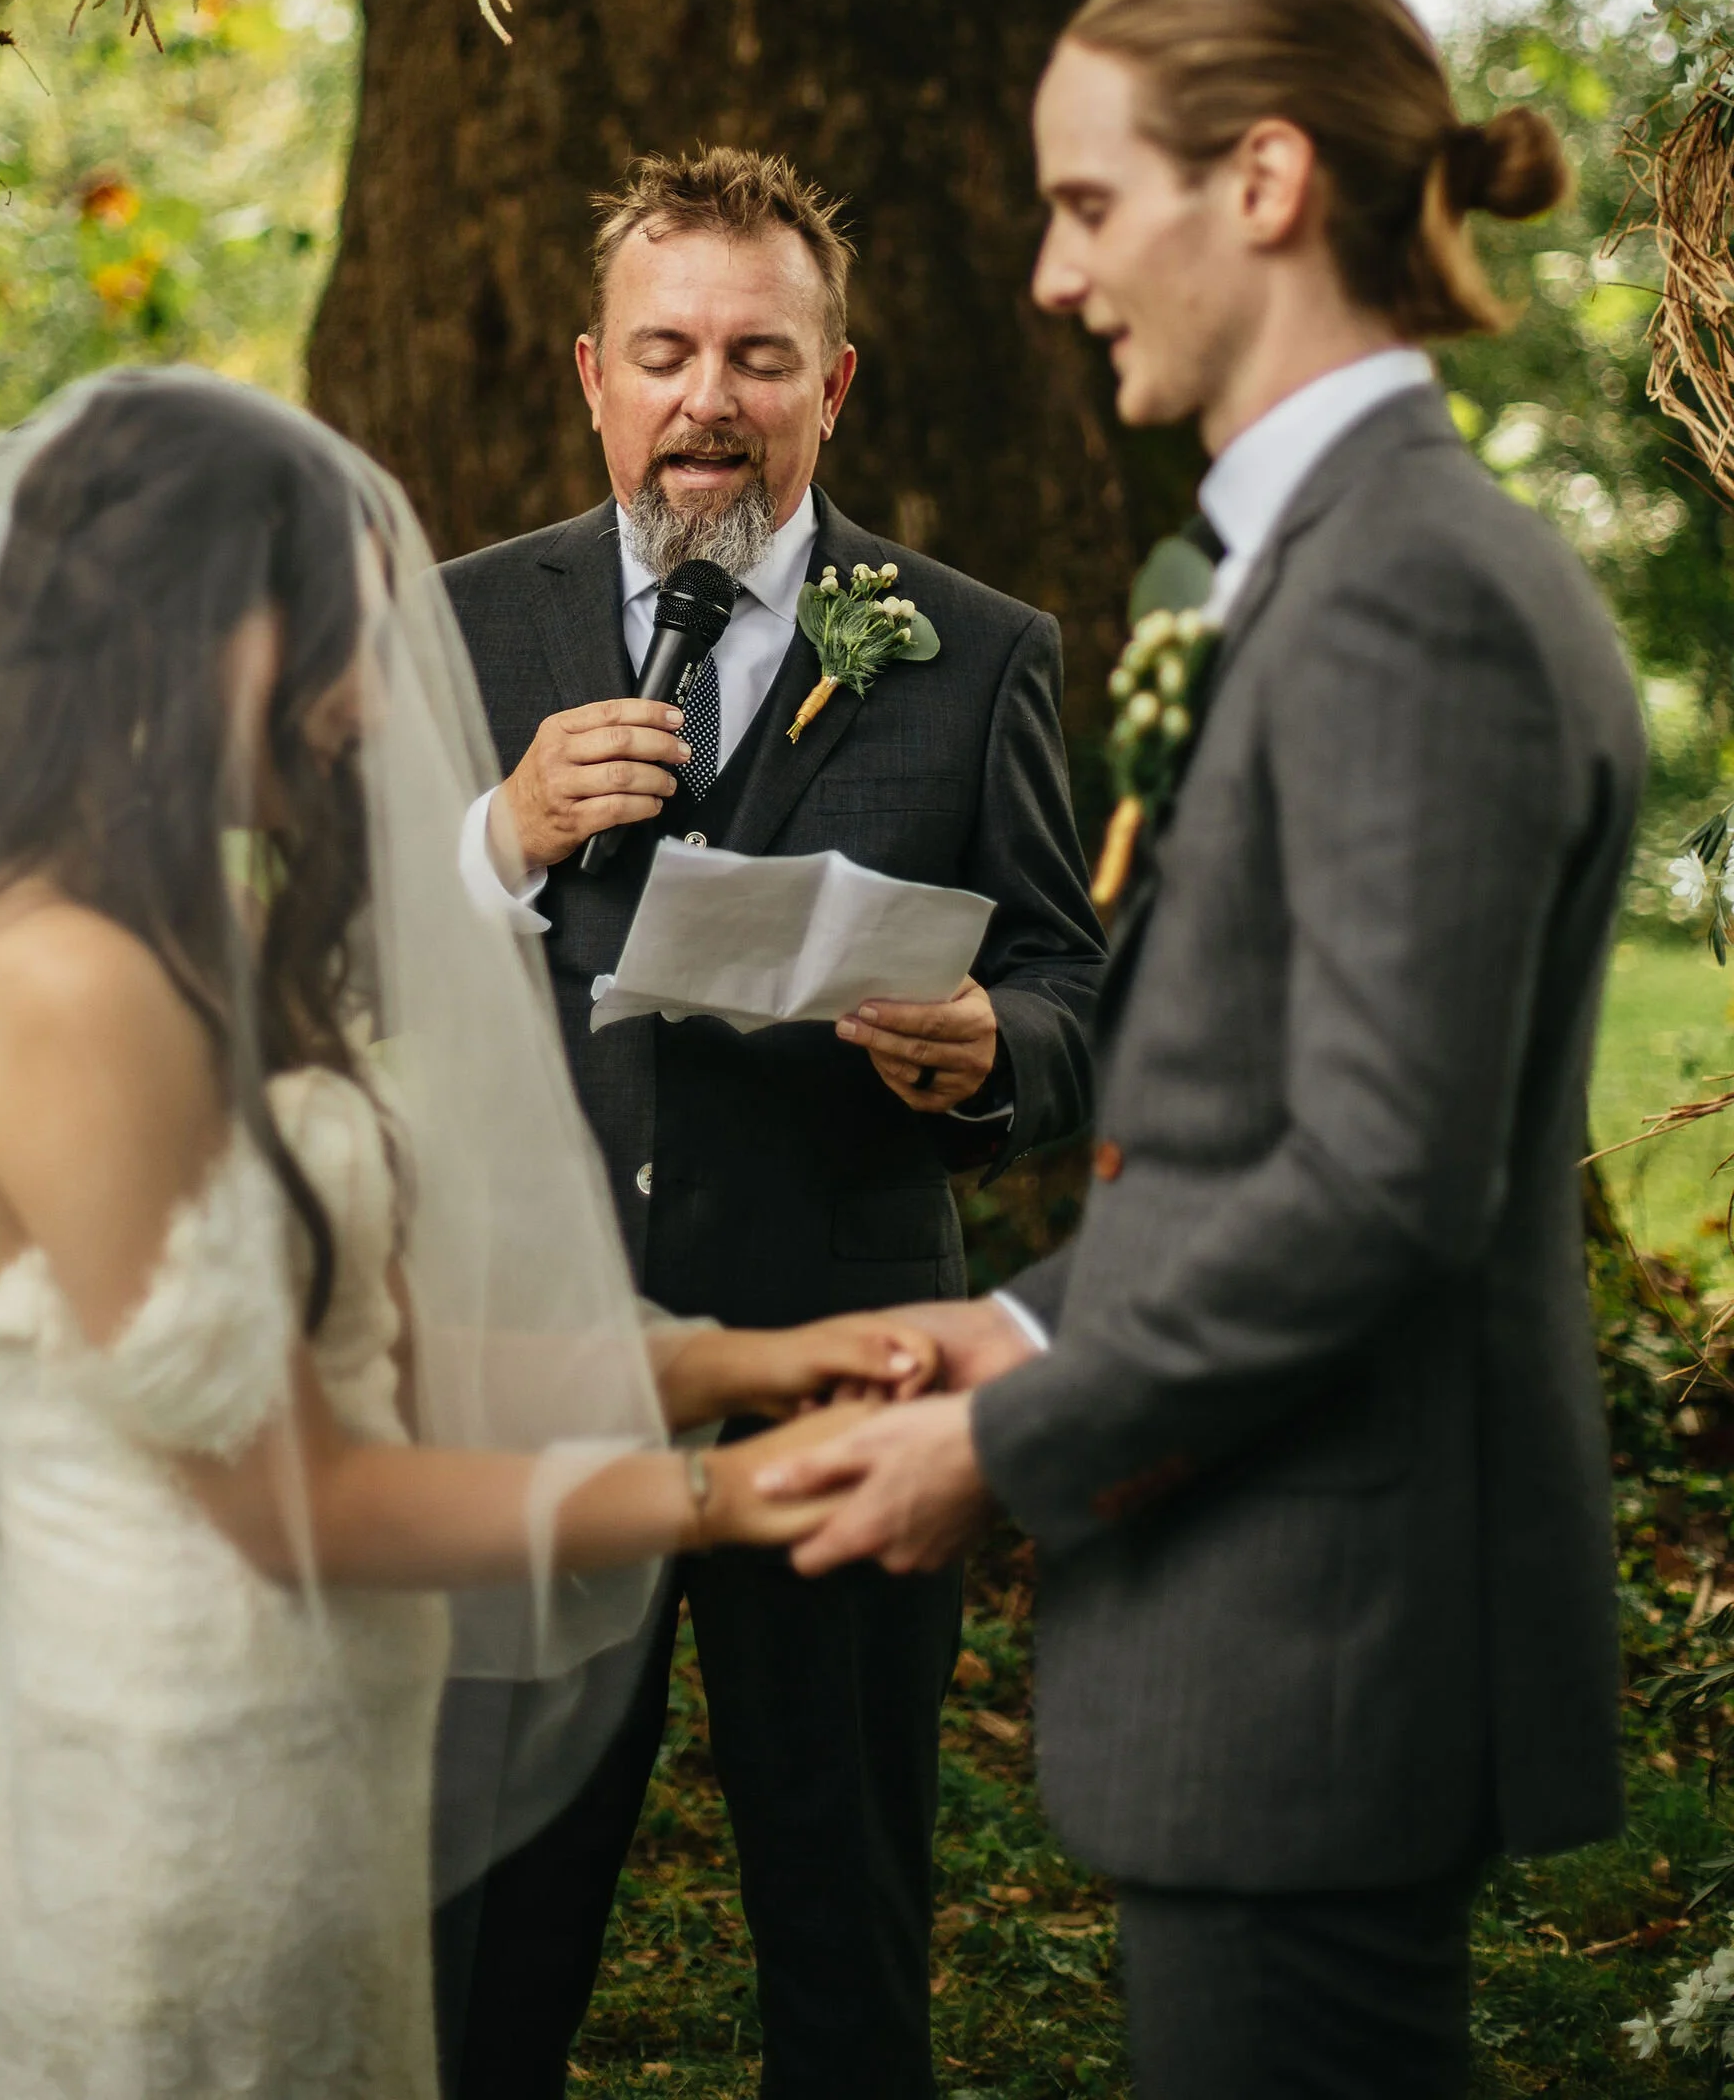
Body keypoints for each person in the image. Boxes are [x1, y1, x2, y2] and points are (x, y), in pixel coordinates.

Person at [0, 369, 933, 2100]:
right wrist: (734, 1494)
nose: (368, 709)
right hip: (172, 1824)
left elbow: (369, 1358)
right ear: (199, 638)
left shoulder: (180, 936)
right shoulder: (60, 985)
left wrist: (758, 1361)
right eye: (342, 644)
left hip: (320, 1783)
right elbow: (299, 1493)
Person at [760, 0, 1646, 2100]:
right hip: (1290, 1626)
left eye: (1085, 206)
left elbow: (1374, 1184)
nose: (1056, 279)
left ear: (1260, 181)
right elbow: (1277, 1130)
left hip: (1321, 1646)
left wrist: (999, 1446)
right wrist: (1038, 1324)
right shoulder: (1331, 558)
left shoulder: (1403, 588)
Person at [438, 147, 1104, 2100]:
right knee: (494, 1925)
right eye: (664, 352)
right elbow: (324, 963)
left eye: (755, 353)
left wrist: (986, 1045)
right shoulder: (462, 626)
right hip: (530, 1357)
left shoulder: (976, 648)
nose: (705, 397)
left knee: (843, 1913)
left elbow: (1072, 985)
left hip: (841, 1358)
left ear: (836, 384)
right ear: (591, 376)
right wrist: (499, 835)